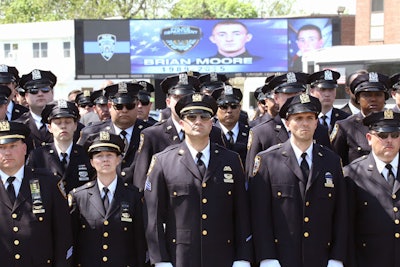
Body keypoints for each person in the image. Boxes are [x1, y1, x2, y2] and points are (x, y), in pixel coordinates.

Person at [144, 93, 253, 267]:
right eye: (191, 117)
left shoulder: (231, 160)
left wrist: (242, 258)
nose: (198, 121)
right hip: (179, 258)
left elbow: (242, 213)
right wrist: (160, 260)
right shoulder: (163, 162)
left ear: (212, 122)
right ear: (181, 123)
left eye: (204, 117)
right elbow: (153, 217)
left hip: (222, 256)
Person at [250, 93, 347, 267]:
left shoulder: (331, 161)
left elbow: (341, 213)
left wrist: (336, 257)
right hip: (281, 258)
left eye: (310, 118)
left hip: (321, 258)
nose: (305, 123)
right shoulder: (268, 161)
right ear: (287, 123)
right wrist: (267, 257)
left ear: (317, 122)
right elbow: (259, 215)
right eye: (298, 118)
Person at [133, 72, 225, 191]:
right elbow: (141, 182)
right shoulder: (153, 135)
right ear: (168, 101)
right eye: (177, 97)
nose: (182, 102)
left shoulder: (213, 132)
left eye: (187, 96)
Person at [0, 120, 73, 266]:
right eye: (1, 147)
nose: (7, 152)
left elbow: (63, 235)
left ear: (24, 148)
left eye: (13, 146)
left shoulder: (49, 183)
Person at [69, 131, 146, 266]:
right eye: (99, 156)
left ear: (118, 159)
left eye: (110, 155)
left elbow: (139, 241)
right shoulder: (79, 197)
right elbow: (72, 241)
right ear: (92, 162)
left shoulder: (134, 196)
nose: (105, 160)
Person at [245, 72, 331, 176]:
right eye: (288, 94)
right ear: (276, 98)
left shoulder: (319, 130)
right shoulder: (261, 133)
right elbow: (252, 176)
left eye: (298, 94)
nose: (294, 99)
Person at [344, 110, 400, 267]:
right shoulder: (352, 175)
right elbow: (346, 228)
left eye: (395, 135)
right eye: (382, 136)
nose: (389, 140)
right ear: (369, 138)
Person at [78, 81, 150, 183]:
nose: (124, 110)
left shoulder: (150, 133)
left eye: (129, 106)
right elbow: (83, 168)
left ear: (137, 105)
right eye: (119, 106)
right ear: (110, 106)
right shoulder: (92, 133)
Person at [27, 99, 95, 196]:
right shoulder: (38, 156)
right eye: (58, 123)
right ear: (49, 127)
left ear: (75, 125)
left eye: (68, 122)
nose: (63, 126)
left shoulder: (86, 154)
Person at [331, 72, 389, 166]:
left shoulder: (395, 124)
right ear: (358, 98)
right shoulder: (345, 126)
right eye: (367, 95)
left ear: (385, 98)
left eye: (378, 95)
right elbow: (336, 162)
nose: (373, 99)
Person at [15, 69, 57, 150]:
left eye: (45, 90)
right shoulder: (18, 125)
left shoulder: (68, 123)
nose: (40, 94)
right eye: (34, 91)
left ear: (52, 93)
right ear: (26, 96)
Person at [212, 84, 250, 164]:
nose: (229, 111)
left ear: (240, 108)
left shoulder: (250, 133)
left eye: (233, 106)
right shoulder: (209, 133)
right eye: (224, 107)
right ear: (216, 109)